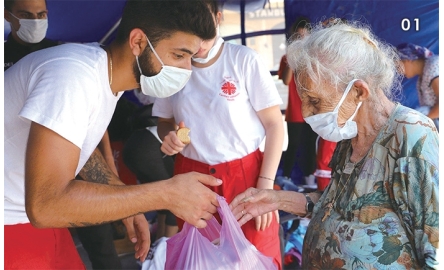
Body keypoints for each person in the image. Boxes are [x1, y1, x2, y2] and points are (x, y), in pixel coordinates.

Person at [4, 0, 220, 268]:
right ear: (138, 42)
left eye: (190, 58)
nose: (187, 69)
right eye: (179, 55)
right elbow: (45, 205)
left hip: (31, 216)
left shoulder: (102, 75)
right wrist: (164, 194)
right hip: (11, 222)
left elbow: (74, 145)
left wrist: (126, 201)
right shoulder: (73, 77)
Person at [230, 21, 438, 269]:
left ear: (359, 92)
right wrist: (278, 200)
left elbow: (435, 248)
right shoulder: (350, 134)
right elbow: (337, 205)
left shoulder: (411, 136)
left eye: (315, 101)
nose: (306, 113)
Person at [153, 0, 284, 268]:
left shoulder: (242, 60)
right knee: (200, 259)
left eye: (205, 26)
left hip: (245, 177)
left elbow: (275, 125)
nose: (198, 39)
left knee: (255, 256)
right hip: (193, 181)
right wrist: (168, 137)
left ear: (218, 18)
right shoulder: (173, 67)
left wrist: (265, 185)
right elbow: (164, 121)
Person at [277, 16, 318, 188]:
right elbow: (286, 81)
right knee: (293, 145)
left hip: (314, 110)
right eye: (298, 36)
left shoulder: (315, 57)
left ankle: (310, 177)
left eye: (304, 36)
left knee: (310, 145)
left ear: (310, 36)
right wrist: (293, 59)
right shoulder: (287, 58)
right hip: (295, 110)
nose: (301, 39)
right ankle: (286, 176)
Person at [4, 0, 59, 71]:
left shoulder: (59, 52)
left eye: (41, 15)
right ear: (7, 15)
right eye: (25, 15)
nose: (35, 22)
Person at [396, 43, 439, 130]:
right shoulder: (421, 78)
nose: (399, 72)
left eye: (398, 66)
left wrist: (422, 121)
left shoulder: (432, 66)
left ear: (407, 60)